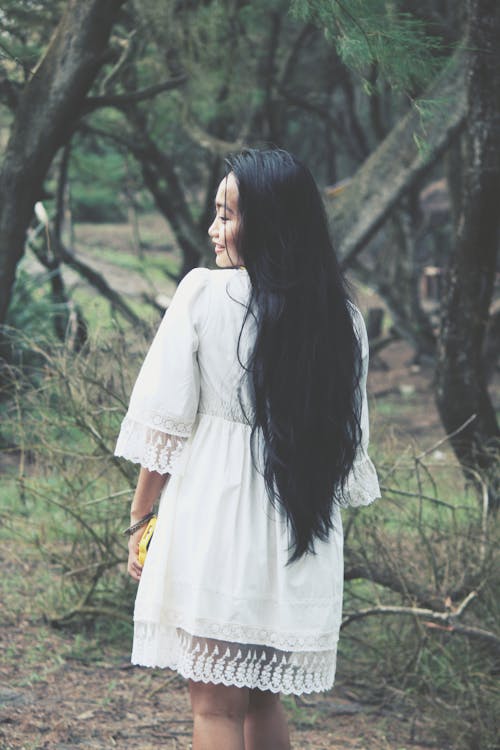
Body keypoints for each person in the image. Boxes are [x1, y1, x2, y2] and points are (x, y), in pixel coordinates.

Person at [115, 148, 380, 750]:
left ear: (269, 221)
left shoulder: (205, 295)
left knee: (213, 707)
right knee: (261, 701)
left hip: (215, 520)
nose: (213, 229)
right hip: (296, 529)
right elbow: (347, 452)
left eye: (227, 215)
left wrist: (140, 521)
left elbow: (164, 426)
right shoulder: (341, 317)